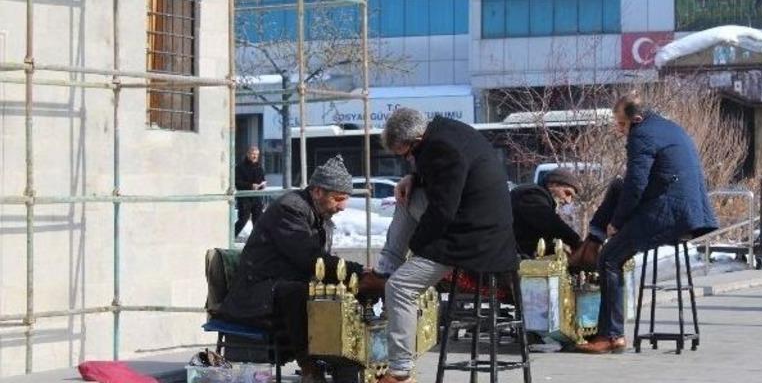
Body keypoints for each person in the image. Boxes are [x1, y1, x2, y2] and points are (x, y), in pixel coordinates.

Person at [367, 108, 519, 383]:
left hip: (472, 236)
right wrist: (413, 178)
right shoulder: (443, 131)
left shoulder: (442, 149)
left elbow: (443, 210)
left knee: (400, 288)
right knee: (404, 198)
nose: (408, 160)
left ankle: (400, 370)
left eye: (405, 155)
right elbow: (444, 182)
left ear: (413, 141)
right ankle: (387, 267)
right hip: (477, 224)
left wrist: (418, 248)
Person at [575, 92, 718, 354]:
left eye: (621, 124)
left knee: (609, 258)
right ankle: (592, 240)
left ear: (636, 119)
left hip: (671, 213)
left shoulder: (641, 134)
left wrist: (617, 223)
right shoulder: (667, 127)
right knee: (616, 187)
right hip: (686, 209)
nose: (619, 130)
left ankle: (611, 335)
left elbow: (637, 184)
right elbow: (631, 185)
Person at [218, 155, 364, 383]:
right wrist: (359, 272)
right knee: (299, 293)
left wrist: (359, 278)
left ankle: (348, 359)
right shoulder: (290, 209)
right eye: (338, 199)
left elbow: (321, 262)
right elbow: (309, 259)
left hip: (280, 286)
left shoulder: (320, 216)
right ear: (317, 192)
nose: (343, 207)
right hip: (256, 293)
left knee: (346, 293)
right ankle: (309, 367)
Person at [510, 168, 582, 258]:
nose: (568, 201)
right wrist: (576, 242)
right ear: (553, 184)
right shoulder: (531, 194)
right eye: (567, 193)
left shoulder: (541, 199)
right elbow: (549, 222)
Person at [234, 146, 266, 238]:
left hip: (256, 197)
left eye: (257, 155)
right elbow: (237, 182)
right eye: (253, 154)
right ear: (248, 154)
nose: (255, 156)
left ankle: (255, 240)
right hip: (245, 198)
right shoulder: (240, 167)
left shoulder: (259, 167)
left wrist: (262, 185)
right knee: (243, 220)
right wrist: (251, 186)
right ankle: (231, 237)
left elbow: (262, 179)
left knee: (258, 221)